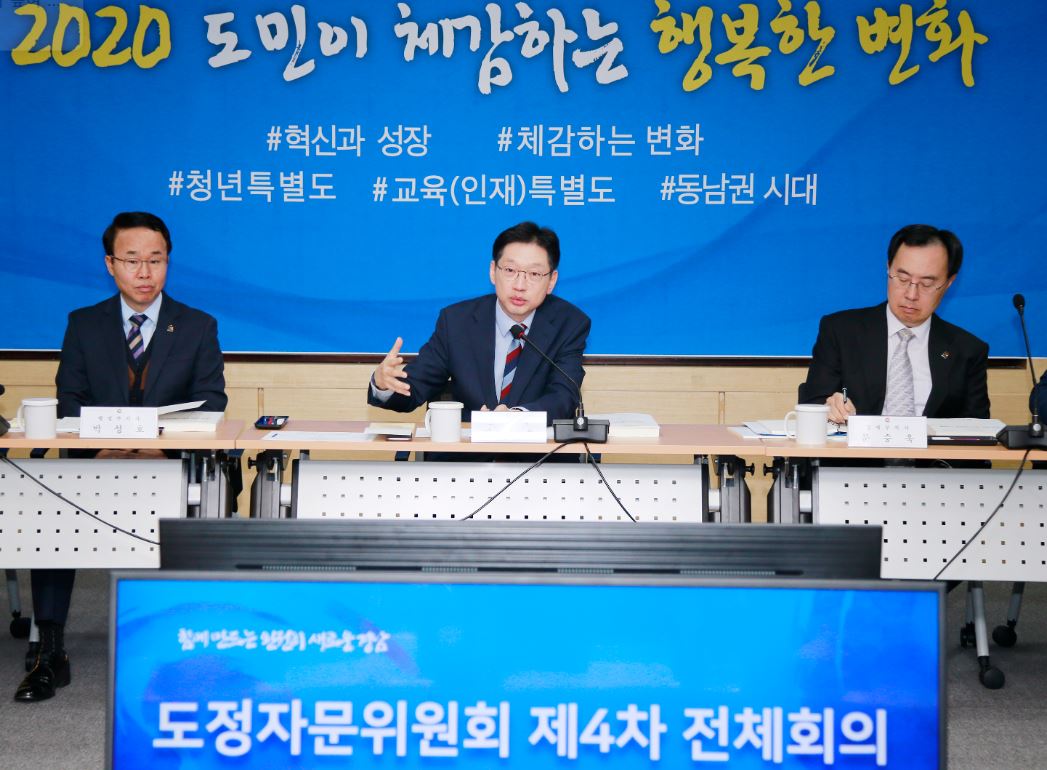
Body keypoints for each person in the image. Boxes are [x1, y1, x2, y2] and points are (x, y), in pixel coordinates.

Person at [15, 211, 227, 703]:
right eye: (132, 260)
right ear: (110, 264)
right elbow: (69, 400)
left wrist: (159, 446)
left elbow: (211, 401)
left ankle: (187, 650)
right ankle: (50, 651)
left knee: (205, 505)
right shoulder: (84, 324)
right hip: (95, 465)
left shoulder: (197, 325)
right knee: (48, 513)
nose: (145, 272)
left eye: (156, 260)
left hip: (169, 467)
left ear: (168, 262)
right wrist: (102, 446)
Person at [368, 221, 590, 422]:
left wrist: (516, 418)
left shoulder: (570, 325)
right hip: (467, 451)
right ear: (493, 271)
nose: (520, 285)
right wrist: (383, 384)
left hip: (535, 452)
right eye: (510, 270)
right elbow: (414, 388)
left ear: (551, 281)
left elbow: (564, 396)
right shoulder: (456, 322)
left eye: (534, 274)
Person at [799, 224, 989, 421]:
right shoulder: (840, 331)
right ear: (888, 267)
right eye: (903, 278)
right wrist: (829, 407)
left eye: (927, 284)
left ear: (949, 282)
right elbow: (812, 403)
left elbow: (978, 428)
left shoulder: (967, 350)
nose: (911, 294)